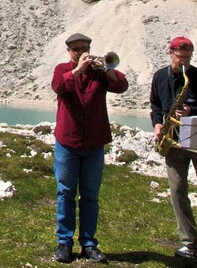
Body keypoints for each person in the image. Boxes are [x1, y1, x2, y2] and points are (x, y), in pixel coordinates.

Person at [51, 32, 127, 263]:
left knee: (90, 195)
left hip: (94, 143)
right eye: (76, 49)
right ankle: (64, 242)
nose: (81, 52)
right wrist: (77, 70)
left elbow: (122, 85)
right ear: (69, 52)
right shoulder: (62, 69)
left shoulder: (99, 72)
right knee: (65, 193)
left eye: (85, 48)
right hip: (68, 142)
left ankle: (89, 243)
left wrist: (107, 69)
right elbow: (58, 86)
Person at [149, 36, 197, 262]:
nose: (183, 62)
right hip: (173, 139)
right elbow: (155, 105)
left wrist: (193, 111)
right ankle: (190, 243)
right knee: (178, 190)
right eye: (179, 57)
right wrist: (157, 123)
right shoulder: (160, 76)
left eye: (187, 58)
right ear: (170, 53)